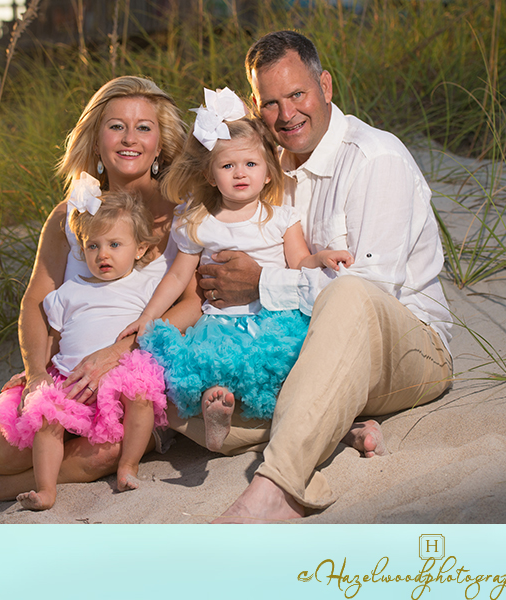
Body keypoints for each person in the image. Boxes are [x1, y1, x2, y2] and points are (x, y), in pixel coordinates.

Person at [0, 76, 199, 505]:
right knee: (21, 442)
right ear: (96, 139)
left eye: (144, 127)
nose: (129, 139)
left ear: (160, 144)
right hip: (70, 367)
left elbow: (193, 302)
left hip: (136, 372)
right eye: (116, 126)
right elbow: (35, 302)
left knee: (103, 452)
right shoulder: (70, 215)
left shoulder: (184, 213)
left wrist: (121, 351)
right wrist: (36, 373)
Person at [179, 31, 454, 522]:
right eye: (270, 103)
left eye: (297, 94)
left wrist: (260, 284)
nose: (286, 114)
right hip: (302, 349)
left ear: (325, 86)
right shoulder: (264, 165)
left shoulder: (375, 158)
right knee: (188, 408)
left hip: (410, 348)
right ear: (256, 107)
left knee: (348, 291)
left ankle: (279, 488)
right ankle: (337, 423)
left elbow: (372, 292)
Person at [121, 88, 352, 453]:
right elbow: (178, 276)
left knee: (288, 370)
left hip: (272, 320)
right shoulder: (200, 222)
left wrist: (321, 257)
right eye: (228, 166)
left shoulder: (281, 219)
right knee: (212, 365)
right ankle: (217, 407)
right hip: (221, 323)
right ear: (211, 176)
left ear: (269, 172)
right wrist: (148, 317)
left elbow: (299, 263)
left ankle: (330, 425)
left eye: (251, 165)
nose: (240, 173)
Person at [0, 186, 169, 509]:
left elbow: (161, 320)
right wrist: (35, 370)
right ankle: (46, 489)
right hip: (71, 375)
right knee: (46, 419)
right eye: (93, 246)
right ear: (82, 249)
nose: (103, 254)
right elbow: (55, 337)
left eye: (114, 244)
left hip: (120, 371)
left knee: (140, 396)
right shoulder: (68, 292)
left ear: (140, 249)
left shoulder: (147, 284)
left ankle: (128, 465)